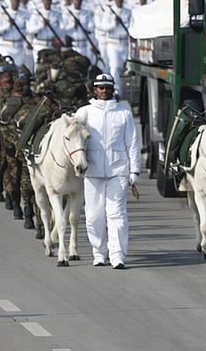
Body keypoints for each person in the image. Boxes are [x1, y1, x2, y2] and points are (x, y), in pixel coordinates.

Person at [76, 73, 141, 269]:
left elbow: (132, 143)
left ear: (113, 89)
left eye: (108, 88)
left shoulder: (124, 113)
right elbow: (71, 134)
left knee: (116, 214)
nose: (104, 91)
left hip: (118, 169)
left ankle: (117, 255)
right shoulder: (85, 112)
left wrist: (134, 171)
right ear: (94, 90)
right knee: (94, 215)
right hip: (93, 170)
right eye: (101, 88)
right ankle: (99, 252)